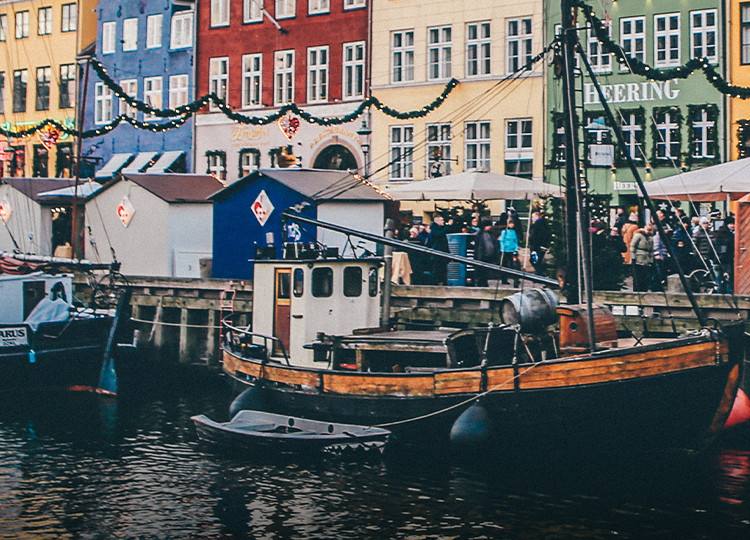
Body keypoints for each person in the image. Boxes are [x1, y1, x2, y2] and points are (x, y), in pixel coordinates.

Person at [473, 220, 499, 287]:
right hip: (482, 256)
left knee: (486, 271)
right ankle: (481, 282)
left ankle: (484, 282)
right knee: (481, 271)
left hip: (489, 255)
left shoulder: (491, 234)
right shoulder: (479, 234)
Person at [426, 214, 450, 285]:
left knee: (443, 271)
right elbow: (439, 234)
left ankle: (442, 284)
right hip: (437, 255)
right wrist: (448, 226)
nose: (443, 222)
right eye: (442, 220)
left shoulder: (438, 229)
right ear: (437, 221)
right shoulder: (434, 229)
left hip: (442, 254)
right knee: (437, 271)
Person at [630, 223, 654, 292]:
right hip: (639, 257)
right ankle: (637, 289)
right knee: (638, 275)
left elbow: (651, 249)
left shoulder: (650, 238)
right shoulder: (638, 236)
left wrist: (651, 259)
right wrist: (633, 257)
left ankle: (644, 289)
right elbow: (633, 246)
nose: (648, 231)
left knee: (645, 275)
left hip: (647, 259)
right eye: (647, 229)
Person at [715, 216, 735, 293]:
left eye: (733, 223)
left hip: (717, 260)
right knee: (727, 281)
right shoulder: (728, 235)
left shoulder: (718, 233)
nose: (733, 225)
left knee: (719, 281)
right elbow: (725, 250)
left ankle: (719, 297)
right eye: (731, 223)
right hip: (725, 261)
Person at [528, 211, 551, 275]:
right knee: (538, 260)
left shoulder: (536, 226)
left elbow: (534, 236)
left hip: (536, 246)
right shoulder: (545, 224)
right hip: (542, 245)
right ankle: (540, 273)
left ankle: (541, 273)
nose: (532, 218)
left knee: (534, 260)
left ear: (536, 217)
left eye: (533, 217)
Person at [499, 219, 520, 287]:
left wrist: (516, 249)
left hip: (512, 250)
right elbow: (502, 240)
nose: (512, 225)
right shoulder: (504, 232)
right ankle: (504, 279)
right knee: (505, 265)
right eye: (511, 224)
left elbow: (515, 240)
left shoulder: (514, 232)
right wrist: (502, 249)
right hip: (505, 250)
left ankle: (515, 279)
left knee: (514, 265)